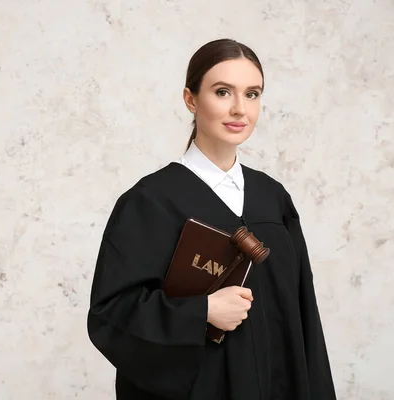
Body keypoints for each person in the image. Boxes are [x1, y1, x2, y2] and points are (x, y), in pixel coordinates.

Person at [86, 38, 337, 400]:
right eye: (223, 92)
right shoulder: (151, 202)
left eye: (252, 94)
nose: (240, 109)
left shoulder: (273, 199)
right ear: (191, 99)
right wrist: (201, 311)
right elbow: (111, 316)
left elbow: (304, 319)